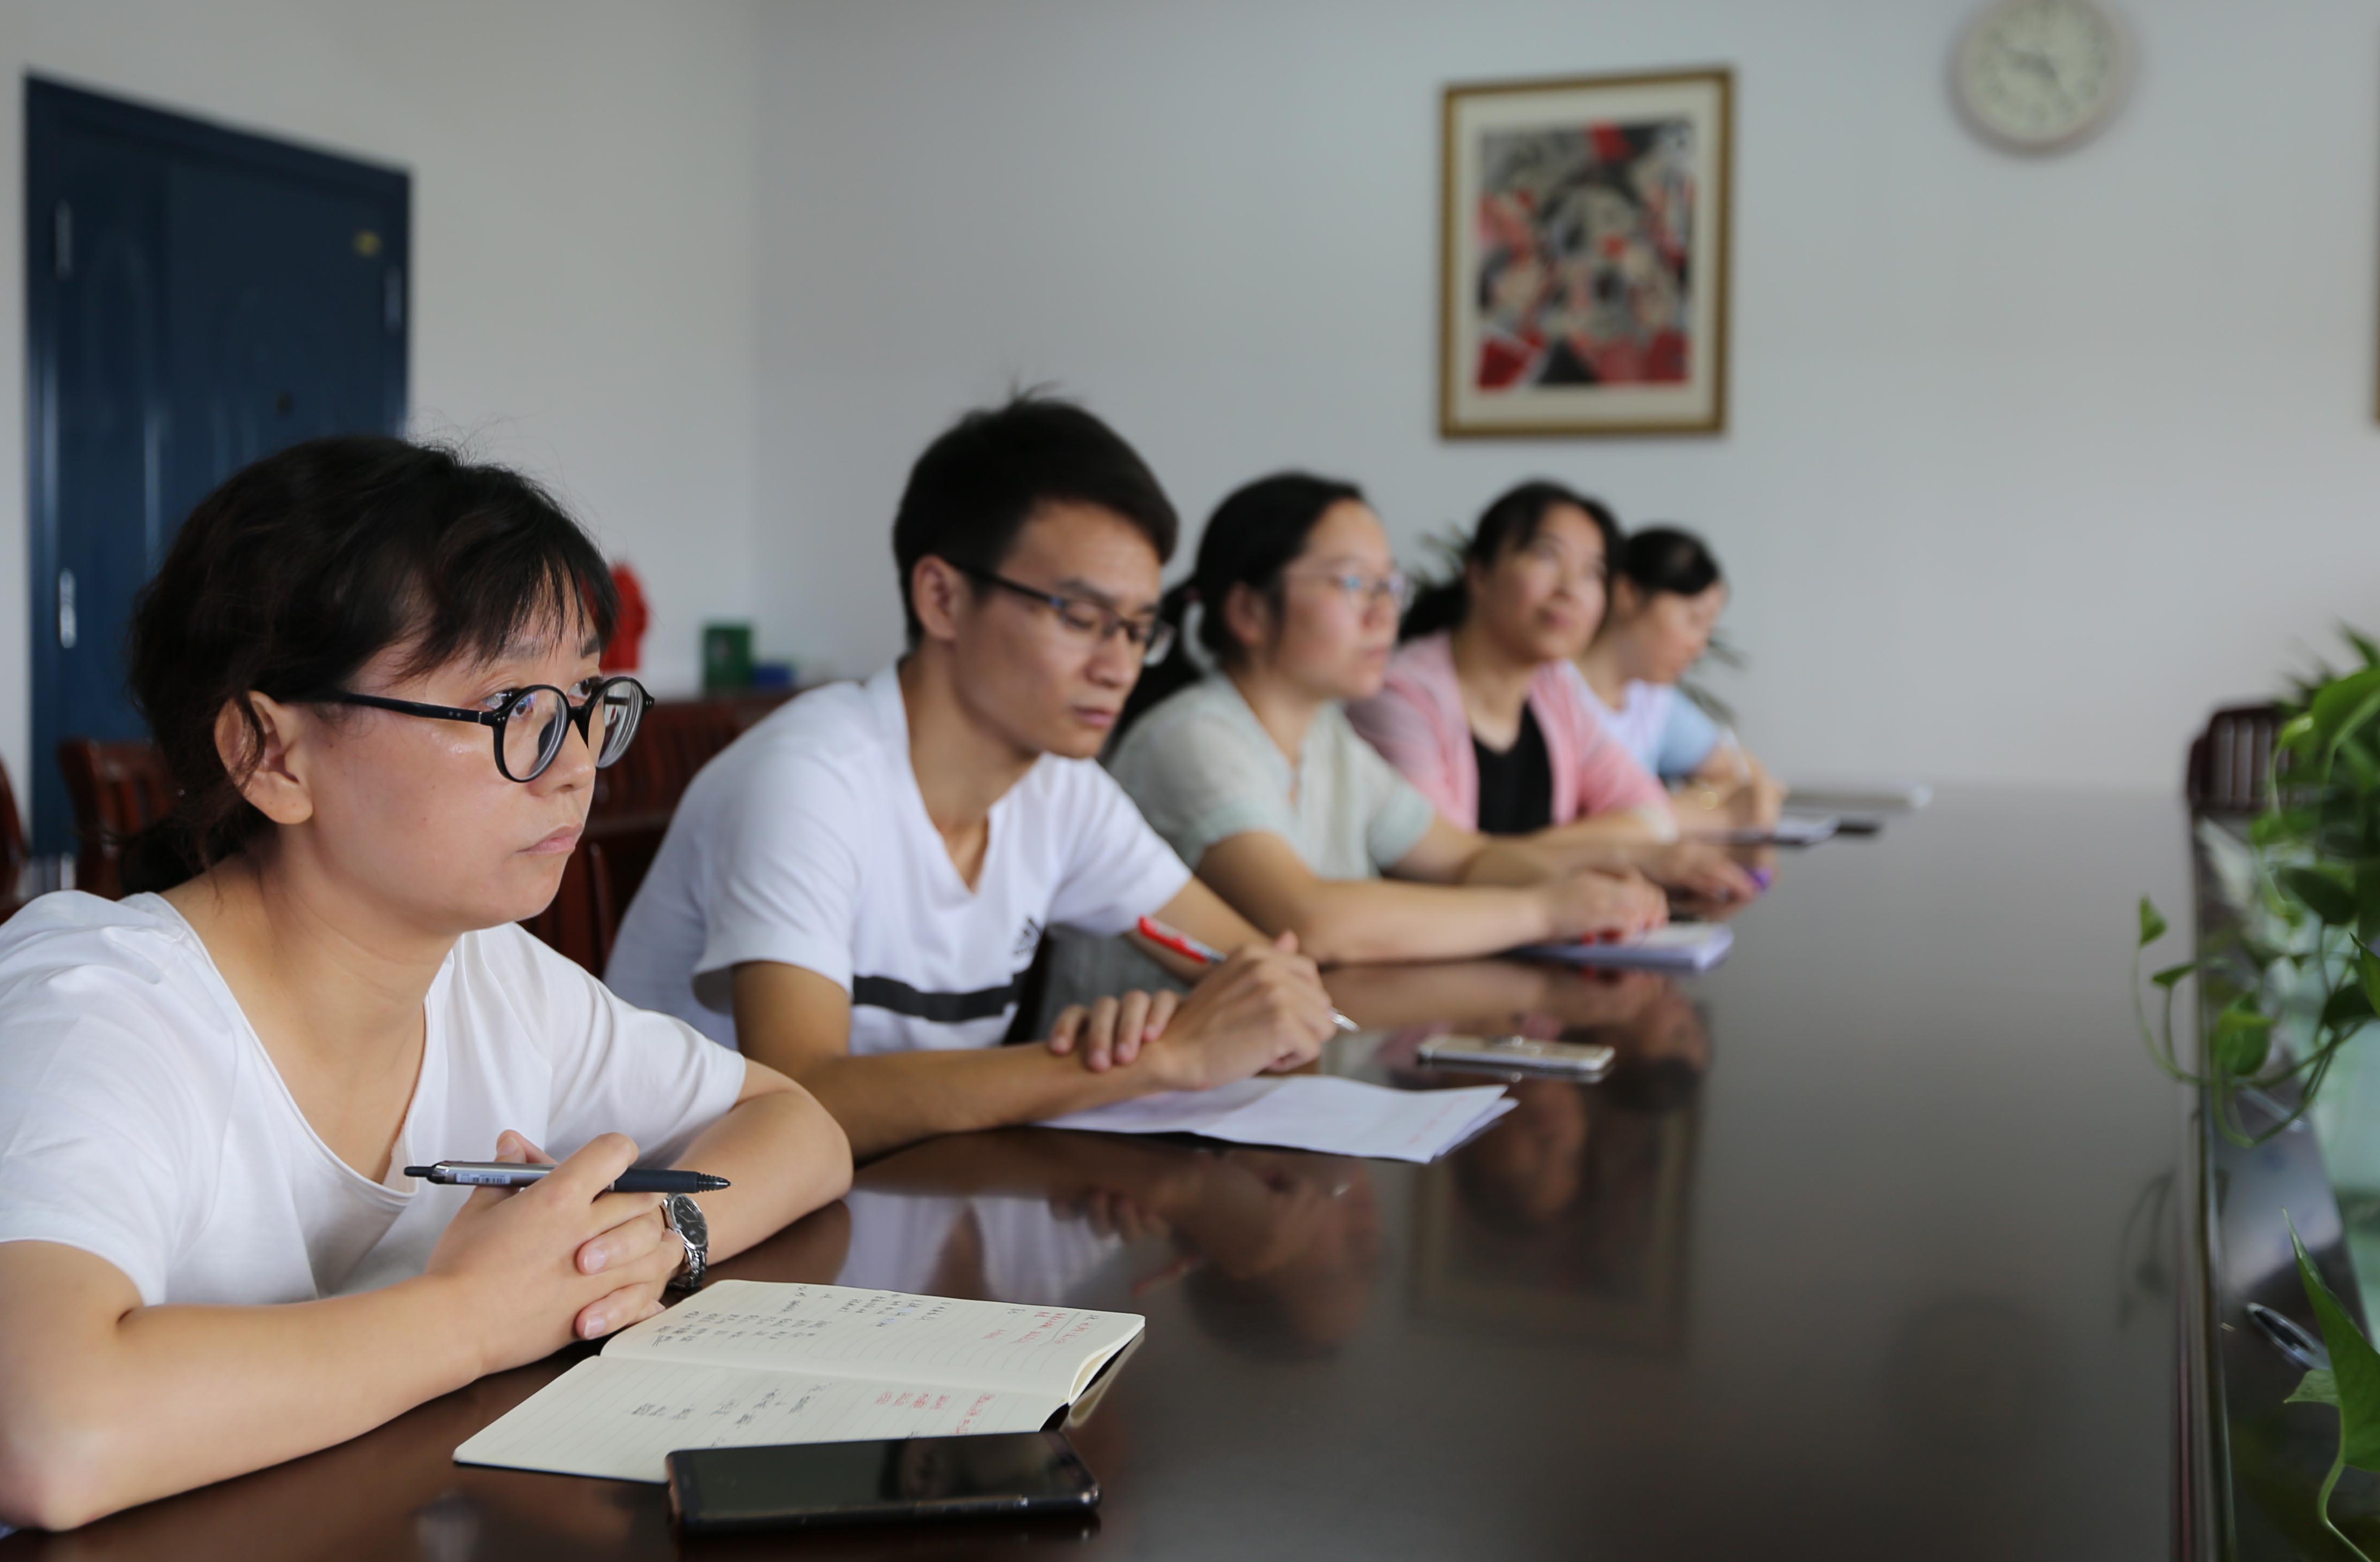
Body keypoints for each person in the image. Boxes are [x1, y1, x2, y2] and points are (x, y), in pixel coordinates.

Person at [0, 438, 854, 1562]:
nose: (573, 766)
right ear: (271, 752)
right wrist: (475, 1313)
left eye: (585, 703)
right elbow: (46, 1436)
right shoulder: (80, 1011)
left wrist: (658, 1239)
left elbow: (799, 1126)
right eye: (512, 711)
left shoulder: (488, 973)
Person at [605, 393, 1341, 1162]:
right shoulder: (809, 778)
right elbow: (801, 1094)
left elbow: (1271, 986)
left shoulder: (1062, 791)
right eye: (1080, 617)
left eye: (1137, 629)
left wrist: (1223, 1019)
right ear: (943, 599)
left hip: (897, 1191)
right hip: (682, 1211)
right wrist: (1158, 1058)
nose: (1118, 667)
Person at [1048, 473, 1670, 1011]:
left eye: (1388, 587)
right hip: (1132, 1092)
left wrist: (1598, 886)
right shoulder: (1192, 737)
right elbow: (1310, 920)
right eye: (1353, 584)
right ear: (1249, 611)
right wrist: (1546, 911)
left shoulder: (1328, 737)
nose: (1383, 614)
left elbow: (1465, 859)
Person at [1347, 482, 1755, 899]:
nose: (1570, 589)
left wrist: (1507, 855)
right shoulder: (1399, 696)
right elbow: (1447, 865)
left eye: (1592, 573)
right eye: (1547, 556)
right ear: (1479, 572)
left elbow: (1648, 813)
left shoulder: (1553, 688)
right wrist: (1614, 851)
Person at [1575, 525, 1786, 831]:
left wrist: (1693, 804)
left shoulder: (1651, 699)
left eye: (1708, 629)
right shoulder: (1555, 691)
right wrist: (1699, 808)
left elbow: (1750, 779)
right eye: (1694, 619)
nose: (1699, 646)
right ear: (1628, 594)